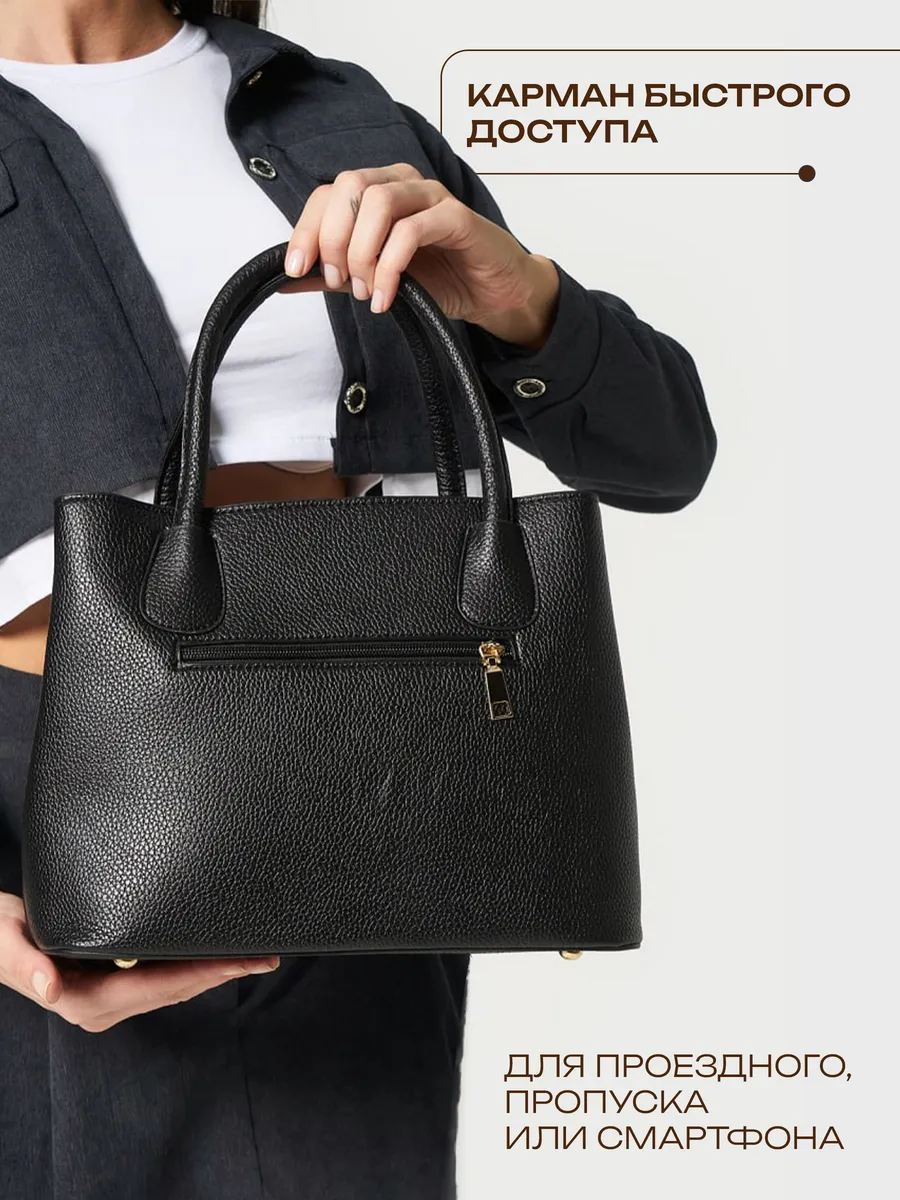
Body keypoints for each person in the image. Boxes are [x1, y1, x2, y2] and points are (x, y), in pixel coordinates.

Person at [0, 1, 717, 1196]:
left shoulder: (335, 111)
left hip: (387, 790)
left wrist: (521, 297)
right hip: (46, 838)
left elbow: (665, 453)